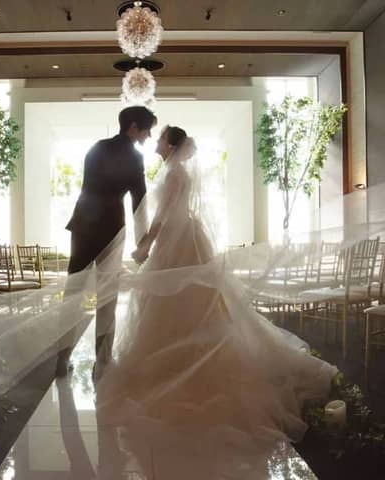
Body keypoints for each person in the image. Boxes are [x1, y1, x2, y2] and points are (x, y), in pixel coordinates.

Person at [95, 126, 338, 478]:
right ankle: (185, 355)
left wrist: (146, 243)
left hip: (177, 242)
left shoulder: (173, 173)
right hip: (186, 238)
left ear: (171, 145)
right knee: (186, 305)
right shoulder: (177, 171)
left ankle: (179, 362)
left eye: (161, 138)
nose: (157, 142)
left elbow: (164, 215)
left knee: (175, 303)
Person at [57, 106, 157, 378]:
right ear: (134, 127)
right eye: (147, 130)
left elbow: (87, 187)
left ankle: (61, 360)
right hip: (111, 228)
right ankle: (102, 363)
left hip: (82, 225)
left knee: (73, 292)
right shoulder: (135, 157)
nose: (148, 136)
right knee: (107, 296)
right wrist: (143, 243)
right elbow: (139, 203)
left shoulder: (97, 147)